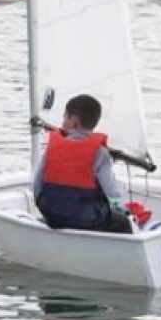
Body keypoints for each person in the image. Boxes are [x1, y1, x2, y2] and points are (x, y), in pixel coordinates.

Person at [33, 94, 133, 234]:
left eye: (64, 117)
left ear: (74, 121)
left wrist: (46, 208)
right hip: (89, 220)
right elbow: (113, 191)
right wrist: (124, 187)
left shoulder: (52, 147)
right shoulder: (100, 152)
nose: (62, 122)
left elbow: (37, 185)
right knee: (123, 222)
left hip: (53, 217)